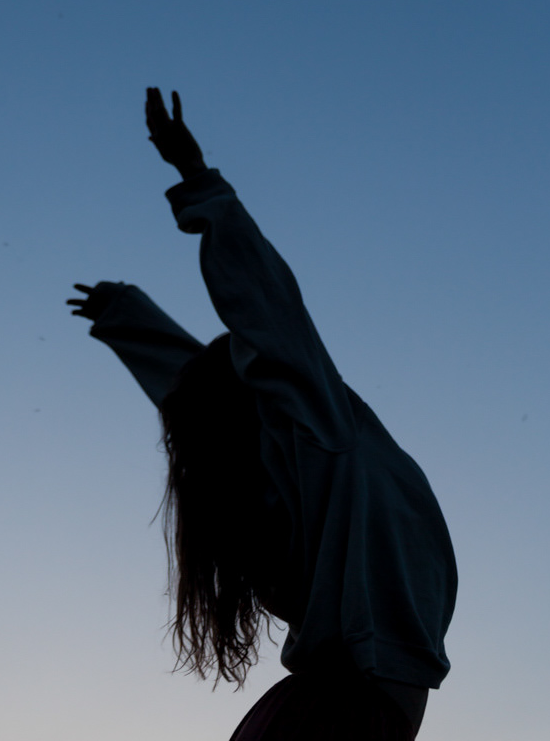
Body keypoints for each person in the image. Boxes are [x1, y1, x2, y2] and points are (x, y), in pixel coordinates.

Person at [67, 88, 457, 740]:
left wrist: (128, 317)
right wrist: (196, 177)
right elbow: (261, 316)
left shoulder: (297, 467)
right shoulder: (316, 444)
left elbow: (218, 382)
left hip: (320, 709)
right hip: (339, 711)